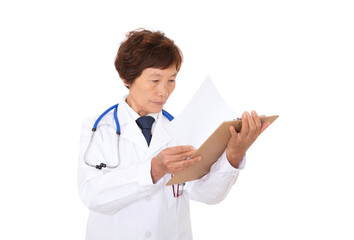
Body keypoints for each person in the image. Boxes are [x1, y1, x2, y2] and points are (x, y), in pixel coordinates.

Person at [78, 28, 270, 240]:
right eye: (155, 80)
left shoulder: (181, 129)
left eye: (171, 80)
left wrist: (233, 155)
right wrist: (153, 170)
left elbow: (206, 194)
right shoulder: (98, 129)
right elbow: (92, 195)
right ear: (126, 78)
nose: (164, 91)